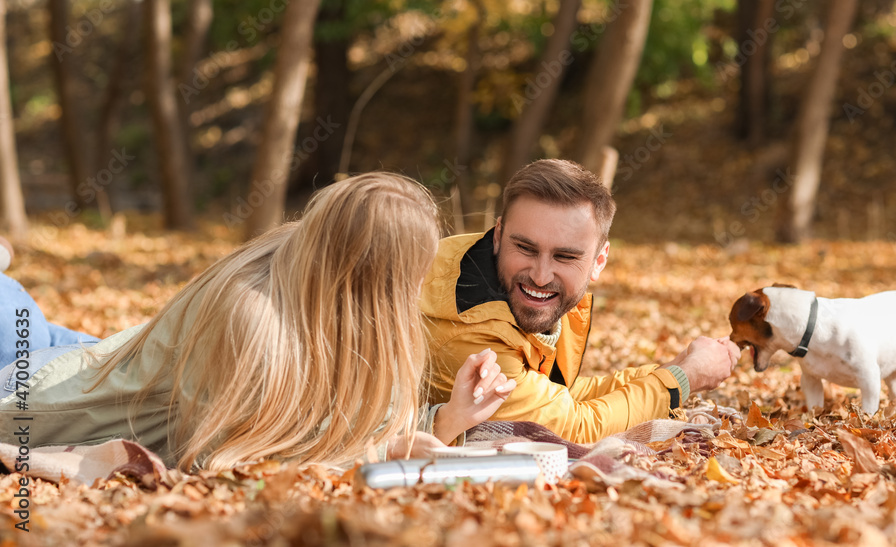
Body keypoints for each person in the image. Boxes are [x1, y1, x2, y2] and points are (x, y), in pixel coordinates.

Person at [0, 173, 514, 471]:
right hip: (33, 394)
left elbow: (335, 418)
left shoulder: (310, 274)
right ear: (378, 280)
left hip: (102, 357)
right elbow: (225, 458)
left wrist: (446, 419)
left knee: (38, 328)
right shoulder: (250, 318)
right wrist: (390, 446)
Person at [422, 159, 740, 443]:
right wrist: (680, 381)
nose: (542, 275)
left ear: (599, 260)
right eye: (525, 248)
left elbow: (559, 396)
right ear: (498, 235)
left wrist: (671, 371)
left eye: (565, 256)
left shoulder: (499, 281)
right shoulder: (468, 322)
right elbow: (571, 428)